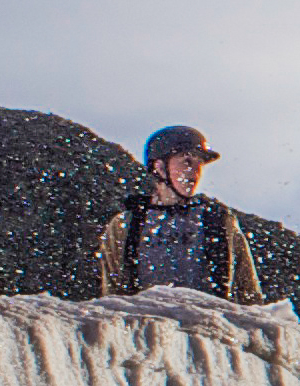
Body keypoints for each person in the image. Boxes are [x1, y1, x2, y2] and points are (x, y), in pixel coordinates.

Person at [95, 124, 267, 303]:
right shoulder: (126, 224)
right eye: (186, 162)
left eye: (199, 164)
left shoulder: (219, 220)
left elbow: (249, 293)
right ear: (159, 167)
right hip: (148, 327)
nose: (195, 172)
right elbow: (113, 295)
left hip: (209, 327)